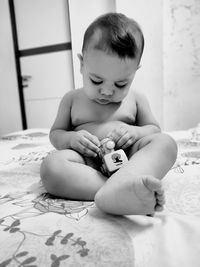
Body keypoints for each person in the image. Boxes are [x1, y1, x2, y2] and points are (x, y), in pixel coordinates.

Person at [40, 13, 177, 215]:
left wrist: (136, 133)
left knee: (166, 143)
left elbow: (154, 129)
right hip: (87, 164)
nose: (106, 91)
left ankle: (123, 184)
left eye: (121, 84)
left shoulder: (137, 98)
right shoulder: (71, 99)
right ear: (82, 64)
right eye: (96, 81)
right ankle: (116, 191)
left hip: (130, 160)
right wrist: (71, 138)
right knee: (51, 167)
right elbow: (56, 134)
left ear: (134, 72)